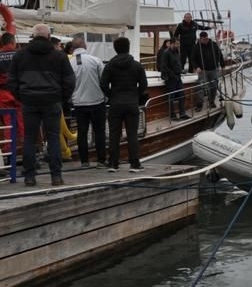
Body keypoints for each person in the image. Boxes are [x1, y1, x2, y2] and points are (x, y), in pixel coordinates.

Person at [8, 24, 75, 187]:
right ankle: (56, 176)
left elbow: (11, 81)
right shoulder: (59, 56)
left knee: (30, 139)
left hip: (29, 101)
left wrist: (22, 96)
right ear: (48, 36)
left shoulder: (20, 55)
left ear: (32, 35)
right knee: (53, 138)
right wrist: (62, 97)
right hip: (52, 101)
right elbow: (70, 81)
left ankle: (30, 177)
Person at [100, 37, 148, 172]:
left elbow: (103, 84)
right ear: (128, 47)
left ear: (115, 48)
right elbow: (144, 85)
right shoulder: (137, 65)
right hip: (131, 102)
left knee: (114, 134)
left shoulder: (110, 65)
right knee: (132, 134)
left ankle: (113, 164)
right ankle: (134, 164)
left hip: (115, 103)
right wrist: (135, 95)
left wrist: (111, 95)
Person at [70, 37, 107, 168]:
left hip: (79, 103)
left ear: (72, 48)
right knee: (99, 132)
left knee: (82, 133)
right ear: (85, 46)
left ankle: (84, 161)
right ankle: (101, 160)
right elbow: (103, 81)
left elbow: (68, 85)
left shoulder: (70, 63)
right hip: (97, 101)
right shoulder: (96, 61)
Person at [0, 33, 23, 153]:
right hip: (19, 92)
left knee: (8, 123)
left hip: (3, 94)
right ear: (13, 41)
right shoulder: (20, 55)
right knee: (22, 123)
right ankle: (26, 152)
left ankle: (9, 152)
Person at [190, 31, 225, 111]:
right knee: (201, 87)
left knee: (214, 86)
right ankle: (199, 104)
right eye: (203, 39)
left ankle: (211, 101)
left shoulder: (213, 45)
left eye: (206, 39)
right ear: (200, 39)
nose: (205, 41)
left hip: (213, 69)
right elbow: (193, 59)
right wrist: (196, 67)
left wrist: (222, 65)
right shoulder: (197, 47)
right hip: (203, 70)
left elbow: (220, 55)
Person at [160, 38, 189, 120]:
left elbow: (177, 63)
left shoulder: (176, 51)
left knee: (182, 95)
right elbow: (164, 66)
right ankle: (172, 115)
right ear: (172, 44)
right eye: (177, 44)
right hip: (170, 78)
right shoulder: (166, 53)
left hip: (178, 77)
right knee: (171, 97)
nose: (178, 45)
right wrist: (172, 75)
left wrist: (181, 71)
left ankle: (182, 113)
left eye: (179, 44)